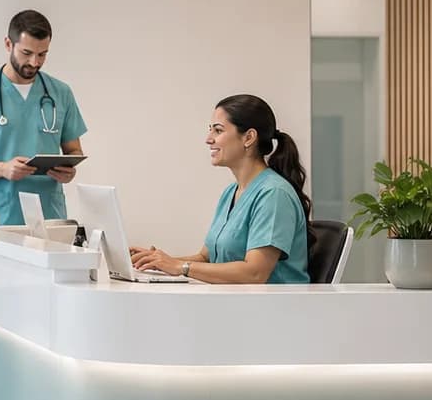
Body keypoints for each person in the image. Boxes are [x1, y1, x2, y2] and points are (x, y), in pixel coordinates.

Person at [129, 94, 312, 284]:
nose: (209, 139)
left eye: (218, 130)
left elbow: (255, 273)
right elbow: (206, 258)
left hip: (271, 309)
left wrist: (179, 267)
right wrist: (159, 261)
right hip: (234, 304)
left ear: (249, 137)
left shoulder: (274, 194)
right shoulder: (231, 192)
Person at [0, 9, 88, 226]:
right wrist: (2, 168)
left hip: (50, 217)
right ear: (8, 44)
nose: (34, 62)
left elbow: (74, 150)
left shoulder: (61, 93)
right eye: (26, 53)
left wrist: (68, 172)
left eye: (42, 54)